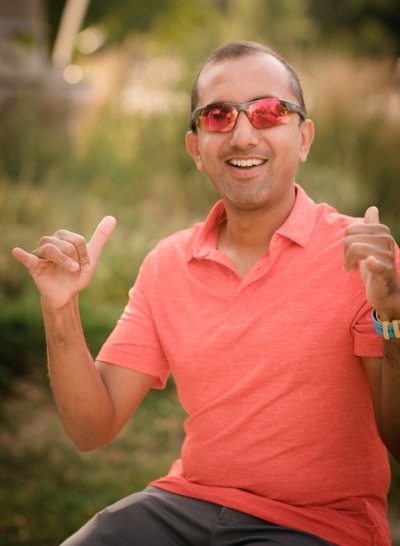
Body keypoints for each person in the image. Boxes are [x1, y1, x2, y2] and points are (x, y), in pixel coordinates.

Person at [12, 40, 400, 546]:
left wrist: (391, 320)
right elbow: (92, 427)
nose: (242, 134)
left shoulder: (365, 260)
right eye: (218, 116)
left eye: (268, 112)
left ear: (303, 138)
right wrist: (59, 308)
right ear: (196, 148)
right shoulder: (167, 264)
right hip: (183, 508)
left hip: (316, 527)